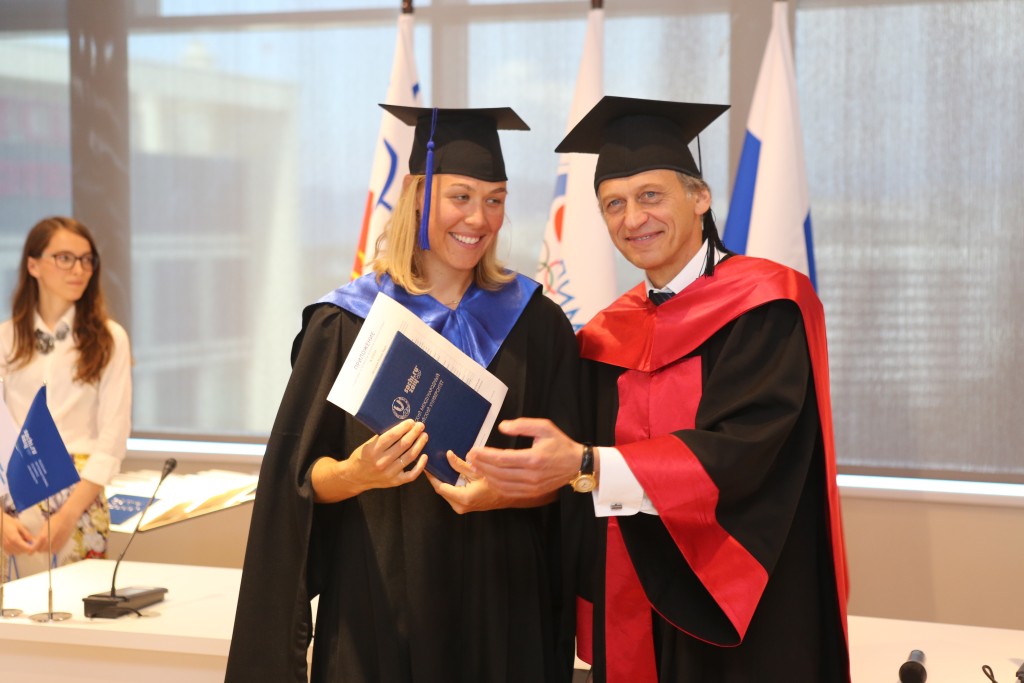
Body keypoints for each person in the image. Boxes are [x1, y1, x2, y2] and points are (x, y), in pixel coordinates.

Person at [468, 96, 851, 682]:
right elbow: (568, 470)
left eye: (650, 195)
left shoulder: (765, 307)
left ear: (699, 197)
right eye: (614, 204)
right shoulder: (605, 337)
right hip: (634, 599)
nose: (633, 219)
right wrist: (505, 484)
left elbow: (745, 451)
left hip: (744, 607)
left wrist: (591, 464)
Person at [226, 105, 581, 683]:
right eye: (460, 196)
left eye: (495, 199)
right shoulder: (347, 324)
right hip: (378, 606)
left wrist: (505, 494)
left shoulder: (537, 326)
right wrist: (357, 473)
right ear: (418, 197)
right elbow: (295, 482)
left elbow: (570, 480)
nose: (479, 218)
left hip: (501, 606)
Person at [1, 216, 132, 579]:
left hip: (79, 495)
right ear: (33, 265)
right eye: (65, 258)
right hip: (12, 495)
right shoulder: (5, 339)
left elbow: (113, 437)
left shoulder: (110, 338)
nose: (79, 269)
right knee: (13, 611)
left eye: (87, 260)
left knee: (77, 606)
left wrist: (68, 515)